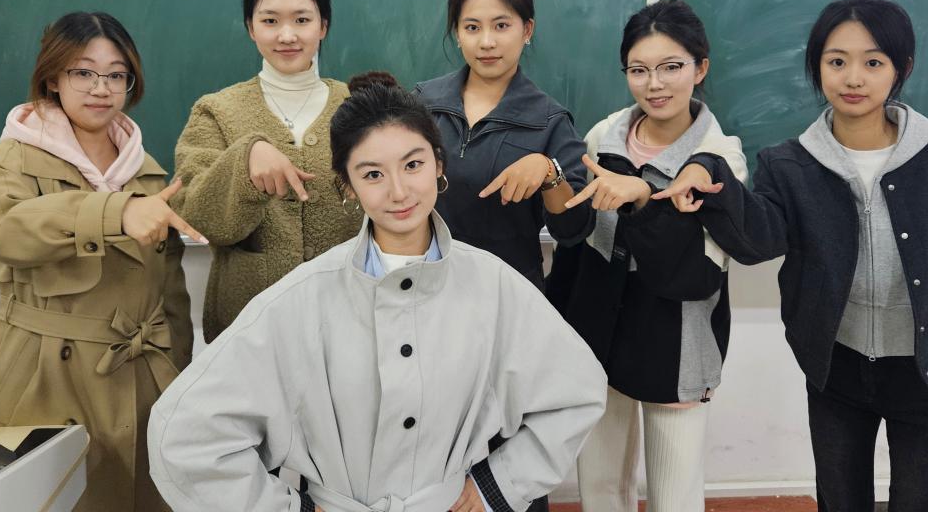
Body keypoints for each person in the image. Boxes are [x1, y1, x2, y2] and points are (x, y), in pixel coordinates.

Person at [147, 73, 608, 512]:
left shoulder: (494, 286)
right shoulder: (301, 299)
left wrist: (498, 485)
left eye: (413, 165)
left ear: (439, 164)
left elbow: (577, 391)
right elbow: (183, 435)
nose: (399, 191)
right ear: (347, 187)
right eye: (372, 175)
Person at [661, 0, 928, 511]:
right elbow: (757, 241)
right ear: (817, 67)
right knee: (839, 501)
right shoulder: (790, 164)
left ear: (902, 69)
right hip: (837, 372)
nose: (853, 78)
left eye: (873, 63)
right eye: (836, 62)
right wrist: (708, 169)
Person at [0, 11, 197, 512]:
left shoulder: (146, 171)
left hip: (143, 380)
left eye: (117, 75)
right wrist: (115, 212)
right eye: (83, 72)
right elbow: (6, 232)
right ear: (53, 78)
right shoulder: (13, 158)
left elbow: (170, 295)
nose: (101, 88)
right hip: (47, 377)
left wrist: (177, 374)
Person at [557, 0, 746, 512]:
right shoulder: (604, 136)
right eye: (638, 70)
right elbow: (582, 241)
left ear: (700, 68)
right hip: (600, 328)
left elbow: (700, 270)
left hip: (677, 336)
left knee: (674, 492)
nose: (654, 84)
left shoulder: (720, 160)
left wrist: (645, 198)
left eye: (671, 67)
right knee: (600, 485)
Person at [172, 0, 361, 342]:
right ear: (250, 28)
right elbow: (196, 215)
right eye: (270, 21)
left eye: (302, 20)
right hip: (249, 326)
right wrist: (244, 160)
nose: (287, 36)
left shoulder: (358, 106)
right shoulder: (216, 111)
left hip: (348, 317)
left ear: (323, 26)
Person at [414, 0, 594, 290]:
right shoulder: (422, 103)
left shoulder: (550, 121)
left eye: (501, 26)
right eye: (472, 27)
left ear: (527, 30)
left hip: (509, 291)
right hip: (425, 282)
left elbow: (572, 229)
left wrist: (548, 171)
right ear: (457, 33)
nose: (486, 42)